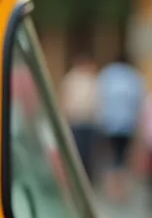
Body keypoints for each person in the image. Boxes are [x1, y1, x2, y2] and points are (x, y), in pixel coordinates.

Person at [95, 52, 146, 203]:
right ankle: (121, 190)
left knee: (111, 157)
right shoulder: (134, 77)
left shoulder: (107, 74)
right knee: (122, 157)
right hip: (127, 124)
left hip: (109, 123)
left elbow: (100, 97)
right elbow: (138, 102)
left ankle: (111, 189)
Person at [61, 53, 99, 184]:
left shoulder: (92, 79)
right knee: (76, 152)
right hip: (76, 121)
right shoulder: (71, 79)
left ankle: (86, 180)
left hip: (89, 122)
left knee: (88, 153)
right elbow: (65, 99)